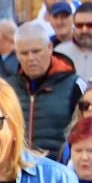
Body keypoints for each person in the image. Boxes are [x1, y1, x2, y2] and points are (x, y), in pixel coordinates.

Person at [10, 18, 81, 161]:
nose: (31, 58)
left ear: (49, 48)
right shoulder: (8, 88)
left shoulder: (74, 85)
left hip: (59, 171)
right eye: (24, 53)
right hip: (17, 170)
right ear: (16, 53)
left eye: (36, 51)